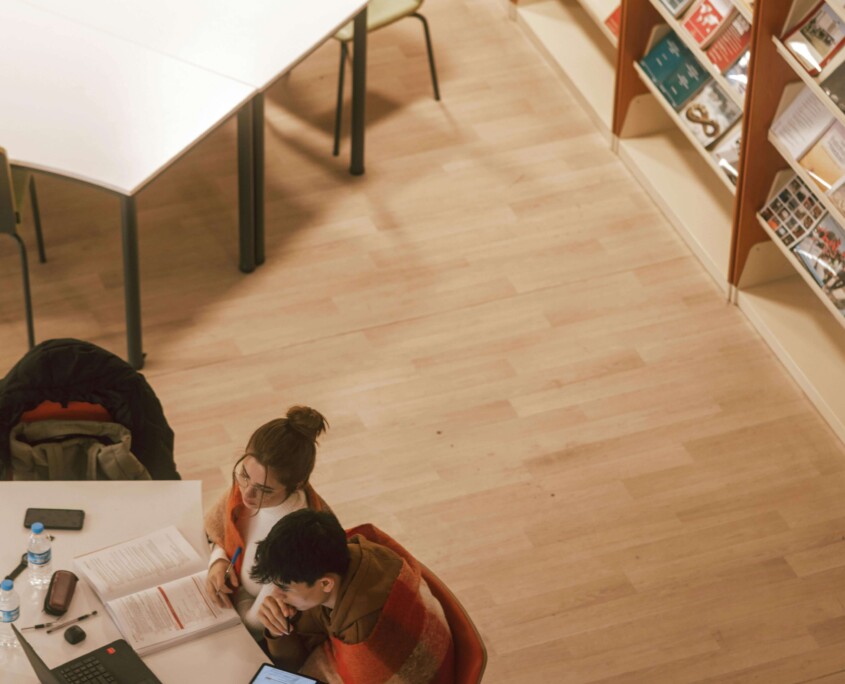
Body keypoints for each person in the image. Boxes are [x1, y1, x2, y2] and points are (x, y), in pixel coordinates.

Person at [251, 510, 455, 684]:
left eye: (284, 588)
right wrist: (277, 627)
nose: (275, 594)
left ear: (325, 583)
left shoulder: (365, 635)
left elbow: (295, 669)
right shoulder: (346, 555)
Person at [203, 406, 331, 640]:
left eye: (264, 490)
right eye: (243, 475)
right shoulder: (246, 487)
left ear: (298, 484)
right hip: (231, 601)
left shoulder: (299, 539)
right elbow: (216, 532)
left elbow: (257, 625)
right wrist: (218, 561)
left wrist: (232, 608)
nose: (246, 495)